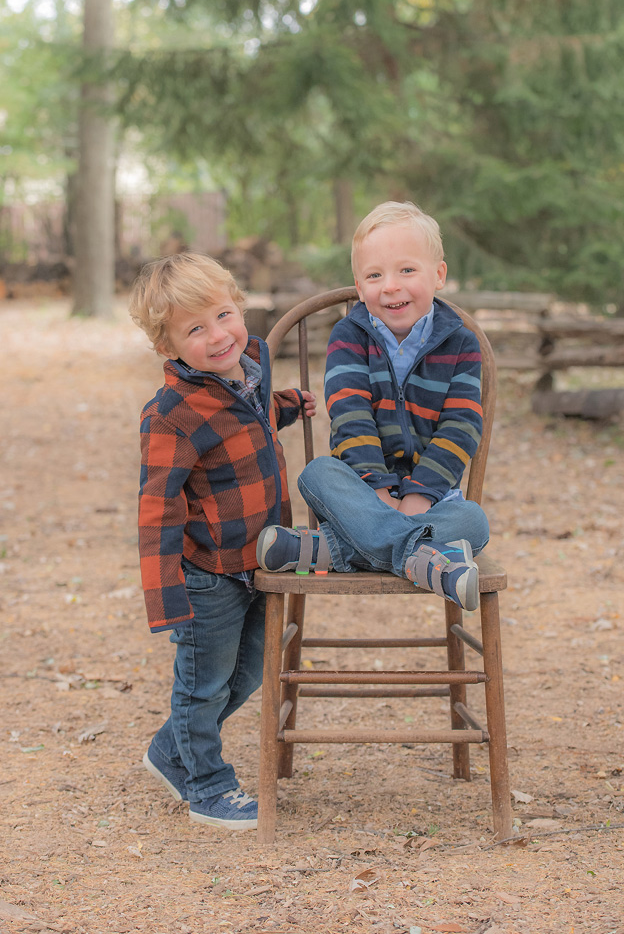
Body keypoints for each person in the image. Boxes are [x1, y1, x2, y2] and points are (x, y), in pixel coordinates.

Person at [128, 253, 315, 830]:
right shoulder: (171, 414)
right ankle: (207, 785)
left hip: (259, 558)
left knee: (251, 672)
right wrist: (167, 602)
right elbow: (157, 511)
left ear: (238, 305)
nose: (218, 335)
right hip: (207, 573)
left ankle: (169, 749)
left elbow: (244, 426)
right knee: (203, 685)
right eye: (195, 329)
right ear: (169, 345)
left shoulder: (249, 366)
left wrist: (282, 407)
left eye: (223, 314)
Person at [256, 201, 489, 610]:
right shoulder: (349, 336)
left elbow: (462, 425)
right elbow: (350, 416)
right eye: (375, 275)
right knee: (318, 473)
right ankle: (422, 558)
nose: (390, 286)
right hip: (359, 494)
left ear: (439, 275)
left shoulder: (461, 343)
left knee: (474, 522)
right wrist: (380, 492)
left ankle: (328, 552)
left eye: (407, 270)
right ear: (359, 286)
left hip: (432, 499)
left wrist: (418, 498)